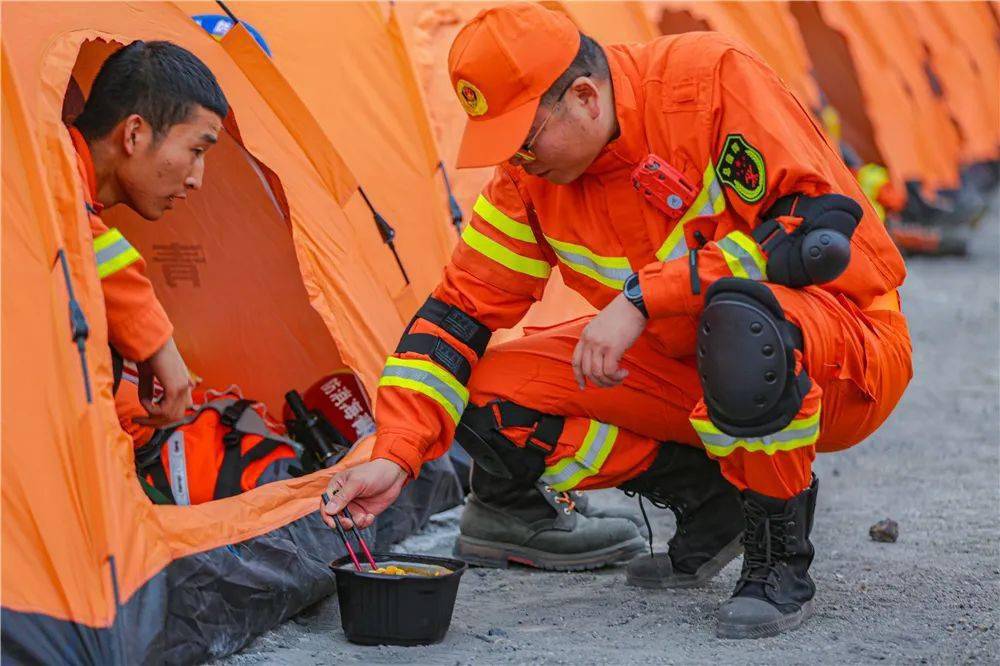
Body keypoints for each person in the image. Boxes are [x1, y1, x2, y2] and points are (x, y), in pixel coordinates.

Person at [322, 4, 912, 638]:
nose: (518, 162)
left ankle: (777, 561)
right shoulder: (529, 182)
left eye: (524, 140)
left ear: (584, 96)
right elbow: (458, 314)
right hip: (689, 365)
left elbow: (817, 234)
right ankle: (710, 500)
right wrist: (398, 453)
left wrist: (643, 298)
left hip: (841, 350)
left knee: (740, 322)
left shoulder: (709, 80)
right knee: (486, 394)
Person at [69, 40, 227, 425]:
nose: (197, 179)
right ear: (134, 133)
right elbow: (73, 229)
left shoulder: (68, 190)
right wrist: (156, 342)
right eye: (196, 150)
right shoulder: (40, 171)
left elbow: (81, 236)